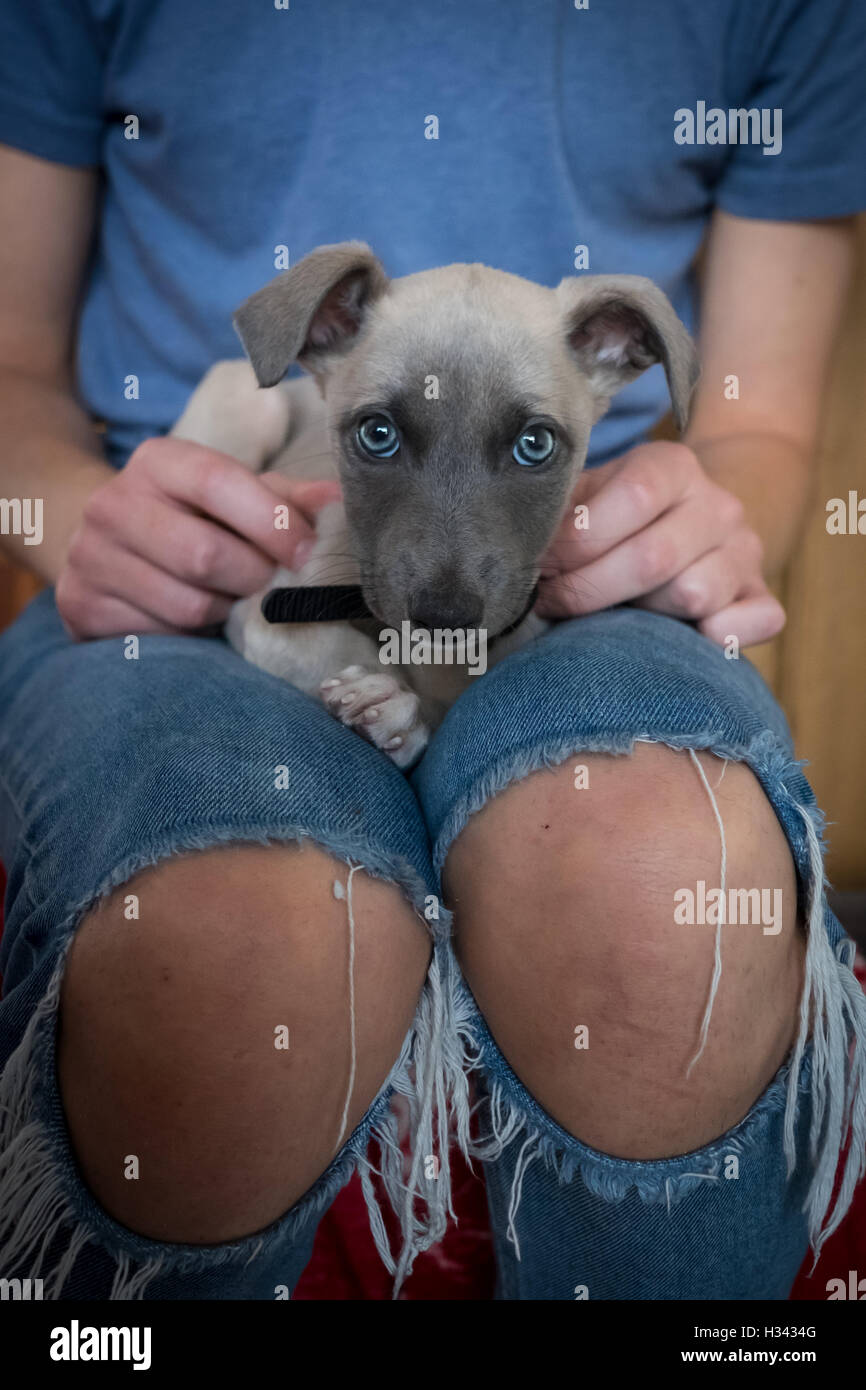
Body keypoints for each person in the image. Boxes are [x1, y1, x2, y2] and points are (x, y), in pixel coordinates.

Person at [0, 0, 864, 1300]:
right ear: (321, 352)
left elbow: (754, 424)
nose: (444, 562)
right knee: (228, 930)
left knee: (649, 880)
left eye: (529, 442)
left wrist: (707, 500)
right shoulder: (285, 379)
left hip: (586, 577)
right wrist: (77, 521)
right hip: (182, 550)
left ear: (618, 357)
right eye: (382, 439)